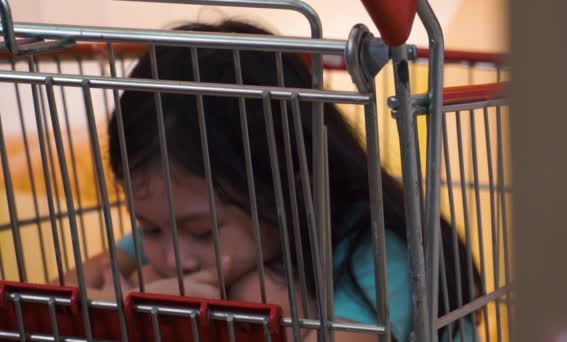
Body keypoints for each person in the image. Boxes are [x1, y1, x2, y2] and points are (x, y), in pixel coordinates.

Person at [64, 20, 480, 342]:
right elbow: (63, 293)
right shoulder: (180, 237)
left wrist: (179, 319)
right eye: (149, 227)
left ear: (288, 189)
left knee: (262, 298)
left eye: (203, 232)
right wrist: (107, 310)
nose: (174, 258)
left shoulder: (376, 252)